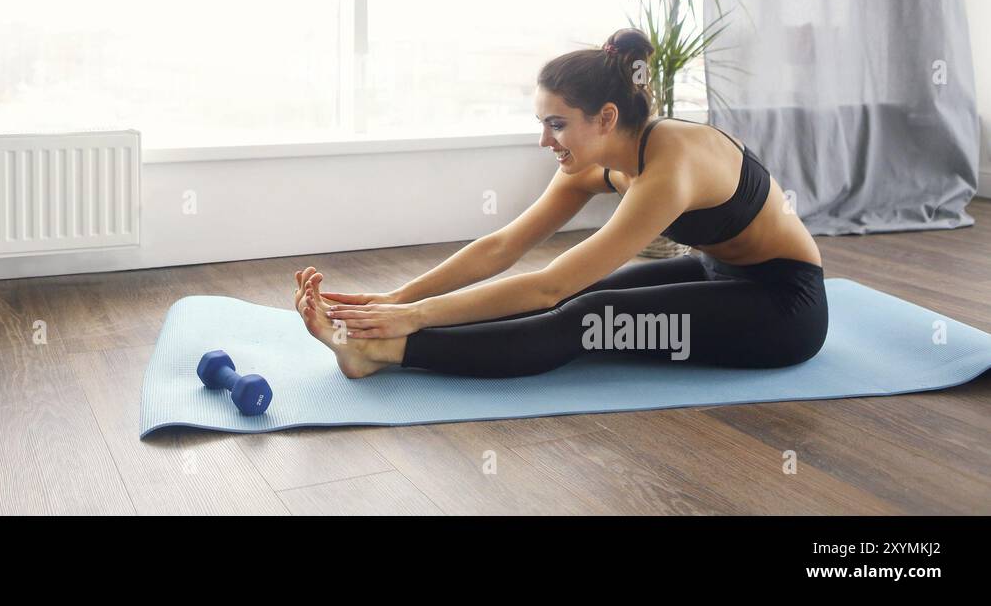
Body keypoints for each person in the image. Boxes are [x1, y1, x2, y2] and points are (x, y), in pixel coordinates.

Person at [293, 27, 828, 378]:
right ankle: (383, 339)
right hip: (715, 273)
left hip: (784, 305)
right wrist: (397, 298)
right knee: (578, 297)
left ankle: (384, 351)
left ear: (606, 118)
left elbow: (551, 284)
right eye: (542, 124)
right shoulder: (591, 164)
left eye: (557, 124)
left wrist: (411, 318)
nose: (545, 141)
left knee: (586, 317)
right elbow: (504, 246)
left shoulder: (674, 164)